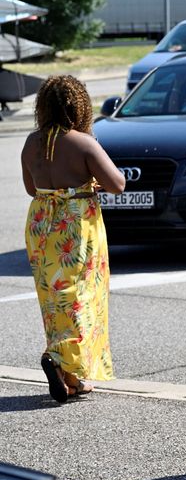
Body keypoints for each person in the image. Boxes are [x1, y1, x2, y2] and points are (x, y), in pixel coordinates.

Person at [20, 75, 125, 403]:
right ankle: (72, 373)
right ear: (78, 105)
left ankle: (62, 368)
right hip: (74, 225)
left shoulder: (31, 142)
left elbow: (31, 189)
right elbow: (117, 183)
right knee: (80, 297)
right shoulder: (82, 142)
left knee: (55, 299)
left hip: (41, 222)